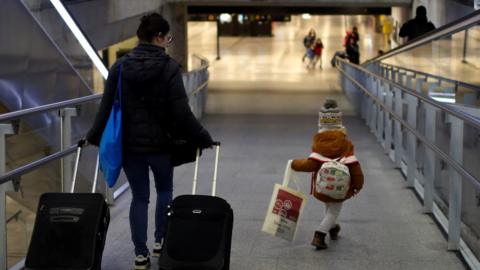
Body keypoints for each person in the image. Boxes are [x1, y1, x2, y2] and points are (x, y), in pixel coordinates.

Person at [86, 13, 214, 269]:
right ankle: (160, 242)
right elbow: (181, 111)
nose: (168, 41)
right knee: (165, 191)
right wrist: (203, 137)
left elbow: (106, 107)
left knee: (140, 197)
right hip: (161, 146)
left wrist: (93, 137)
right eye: (168, 37)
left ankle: (140, 254)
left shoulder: (120, 67)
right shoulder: (169, 68)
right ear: (158, 37)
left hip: (131, 148)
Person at [291, 99, 364, 250]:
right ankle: (319, 235)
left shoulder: (318, 143)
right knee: (334, 210)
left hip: (323, 185)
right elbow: (354, 165)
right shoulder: (346, 144)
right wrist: (357, 185)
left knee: (329, 207)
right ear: (339, 122)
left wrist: (294, 164)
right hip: (340, 187)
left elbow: (311, 164)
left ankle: (333, 227)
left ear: (321, 123)